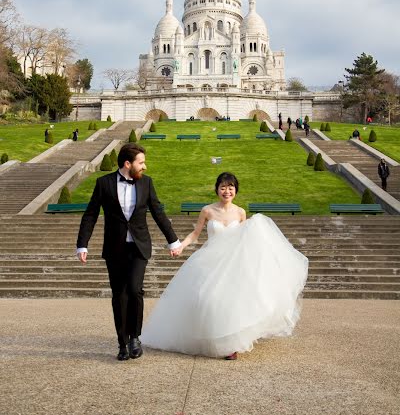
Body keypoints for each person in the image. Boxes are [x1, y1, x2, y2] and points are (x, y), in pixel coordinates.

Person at [142, 172, 308, 360]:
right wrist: (181, 246)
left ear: (236, 190)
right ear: (217, 189)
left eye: (230, 187)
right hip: (209, 261)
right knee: (206, 300)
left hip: (234, 264)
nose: (227, 191)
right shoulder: (207, 210)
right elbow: (195, 234)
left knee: (233, 303)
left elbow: (246, 238)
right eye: (223, 187)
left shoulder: (240, 212)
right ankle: (207, 337)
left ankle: (231, 345)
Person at [76, 143, 181, 361]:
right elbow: (90, 214)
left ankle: (135, 337)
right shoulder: (103, 183)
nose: (145, 166)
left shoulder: (147, 183)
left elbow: (158, 212)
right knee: (119, 295)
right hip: (115, 248)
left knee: (135, 289)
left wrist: (173, 240)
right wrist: (82, 244)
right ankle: (122, 343)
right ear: (127, 163)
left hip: (139, 246)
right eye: (141, 162)